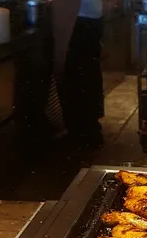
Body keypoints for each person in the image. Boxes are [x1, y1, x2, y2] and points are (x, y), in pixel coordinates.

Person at [54, 0, 105, 146]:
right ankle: (89, 130)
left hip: (80, 21)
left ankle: (83, 134)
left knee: (77, 77)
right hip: (90, 18)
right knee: (87, 75)